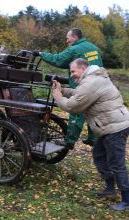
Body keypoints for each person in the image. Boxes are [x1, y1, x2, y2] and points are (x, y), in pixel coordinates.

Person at [52, 58, 129, 211]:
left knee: (116, 163)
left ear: (83, 68)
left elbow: (73, 106)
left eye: (73, 71)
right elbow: (80, 94)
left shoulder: (91, 82)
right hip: (111, 124)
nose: (72, 75)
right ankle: (110, 188)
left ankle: (127, 200)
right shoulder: (92, 78)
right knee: (99, 155)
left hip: (115, 127)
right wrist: (63, 90)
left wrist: (59, 97)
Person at [33, 28, 103, 149]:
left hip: (83, 86)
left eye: (67, 38)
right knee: (93, 111)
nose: (66, 41)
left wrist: (41, 54)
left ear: (75, 37)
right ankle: (94, 139)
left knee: (76, 111)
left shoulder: (74, 49)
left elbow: (58, 60)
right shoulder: (94, 48)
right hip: (98, 84)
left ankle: (69, 141)